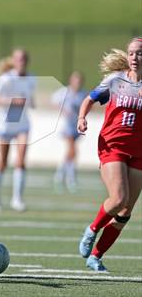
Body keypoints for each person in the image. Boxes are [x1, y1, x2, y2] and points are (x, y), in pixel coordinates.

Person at [78, 37, 142, 272]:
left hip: (139, 152)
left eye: (140, 53)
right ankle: (92, 230)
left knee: (126, 211)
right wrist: (81, 117)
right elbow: (89, 99)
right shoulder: (115, 80)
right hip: (112, 146)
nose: (135, 58)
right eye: (132, 53)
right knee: (118, 199)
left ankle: (95, 256)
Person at [0, 49, 35, 212]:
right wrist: (12, 101)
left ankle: (17, 199)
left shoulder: (31, 78)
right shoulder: (6, 78)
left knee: (21, 162)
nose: (21, 62)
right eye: (18, 59)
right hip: (5, 125)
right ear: (13, 61)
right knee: (2, 163)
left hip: (22, 125)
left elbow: (31, 99)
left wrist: (31, 102)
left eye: (23, 59)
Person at [51, 71, 87, 194]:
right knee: (73, 151)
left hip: (76, 126)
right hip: (67, 127)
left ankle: (60, 174)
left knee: (71, 153)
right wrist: (63, 111)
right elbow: (54, 101)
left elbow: (88, 105)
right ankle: (70, 179)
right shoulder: (65, 92)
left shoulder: (83, 94)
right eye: (75, 80)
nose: (77, 83)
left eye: (79, 81)